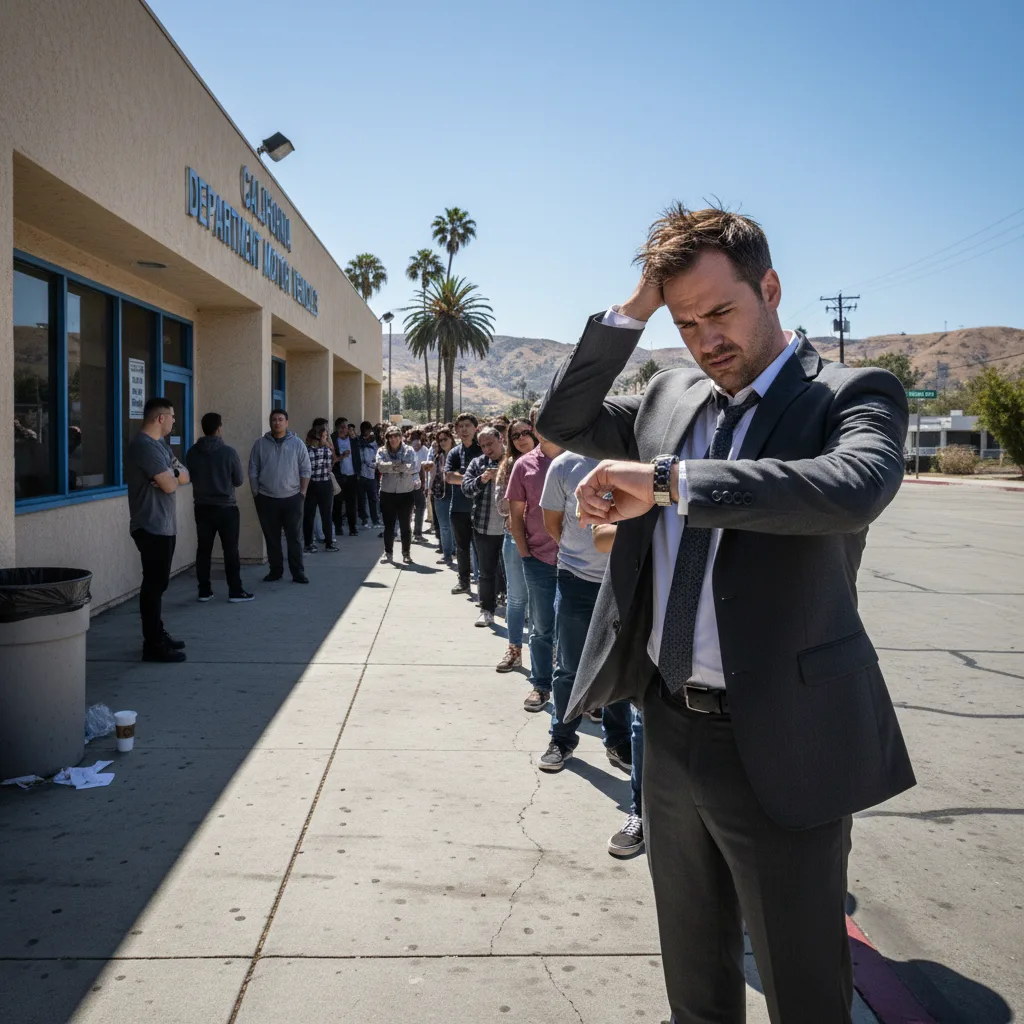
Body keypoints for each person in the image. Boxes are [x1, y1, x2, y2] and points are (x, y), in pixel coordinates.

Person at [537, 204, 914, 1024]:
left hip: (781, 737)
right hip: (670, 729)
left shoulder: (849, 396)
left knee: (802, 986)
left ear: (770, 288)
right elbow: (561, 424)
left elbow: (853, 487)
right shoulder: (671, 394)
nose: (707, 339)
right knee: (696, 981)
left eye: (721, 312)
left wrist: (670, 483)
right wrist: (634, 312)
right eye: (686, 321)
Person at [536, 450, 633, 772]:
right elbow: (553, 524)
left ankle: (618, 742)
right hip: (576, 579)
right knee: (570, 668)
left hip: (623, 581)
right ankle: (561, 739)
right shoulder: (565, 465)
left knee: (617, 667)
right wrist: (582, 555)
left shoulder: (634, 459)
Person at [125, 396, 190, 662]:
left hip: (164, 525)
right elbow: (171, 485)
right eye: (172, 416)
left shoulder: (160, 445)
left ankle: (158, 634)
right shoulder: (144, 447)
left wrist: (170, 475)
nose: (175, 421)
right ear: (161, 418)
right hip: (150, 525)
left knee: (159, 584)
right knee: (153, 585)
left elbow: (184, 474)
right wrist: (171, 478)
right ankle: (152, 645)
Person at [505, 416, 562, 712]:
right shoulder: (523, 465)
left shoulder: (578, 458)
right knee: (541, 627)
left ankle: (577, 690)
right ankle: (541, 685)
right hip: (538, 558)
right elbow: (516, 516)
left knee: (572, 628)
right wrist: (526, 555)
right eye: (540, 422)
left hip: (576, 561)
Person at [185, 411, 254, 604]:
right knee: (230, 550)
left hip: (202, 507)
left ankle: (204, 591)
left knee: (203, 550)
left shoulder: (192, 452)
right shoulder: (228, 452)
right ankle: (235, 590)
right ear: (219, 428)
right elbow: (239, 480)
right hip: (226, 508)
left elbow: (188, 475)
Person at [248, 408, 311, 584]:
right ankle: (275, 571)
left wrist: (302, 493)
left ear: (287, 423)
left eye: (281, 419)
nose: (277, 422)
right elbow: (253, 468)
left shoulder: (297, 444)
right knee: (272, 538)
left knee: (294, 538)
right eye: (274, 419)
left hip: (292, 497)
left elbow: (306, 469)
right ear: (270, 422)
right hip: (266, 498)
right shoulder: (260, 444)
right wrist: (256, 492)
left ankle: (298, 572)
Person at [494, 418, 537, 672]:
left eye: (525, 433)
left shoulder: (551, 461)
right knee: (517, 598)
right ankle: (514, 650)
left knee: (542, 601)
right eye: (515, 435)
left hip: (546, 538)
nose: (521, 438)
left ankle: (549, 654)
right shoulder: (508, 466)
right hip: (514, 537)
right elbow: (502, 506)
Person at [461, 426, 506, 628]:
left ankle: (518, 610)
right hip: (484, 526)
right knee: (486, 572)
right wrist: (482, 480)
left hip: (511, 528)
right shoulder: (478, 463)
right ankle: (486, 610)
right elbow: (466, 488)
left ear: (501, 439)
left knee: (513, 573)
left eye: (491, 444)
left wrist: (503, 478)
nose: (487, 449)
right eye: (483, 445)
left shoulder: (514, 462)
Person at [445, 413, 483, 596]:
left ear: (475, 428)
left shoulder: (483, 450)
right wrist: (475, 479)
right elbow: (449, 477)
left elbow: (489, 478)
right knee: (461, 548)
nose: (464, 429)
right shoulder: (454, 452)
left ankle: (486, 585)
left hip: (481, 509)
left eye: (467, 425)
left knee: (481, 549)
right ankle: (464, 582)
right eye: (460, 426)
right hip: (458, 508)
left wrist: (462, 478)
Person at [376, 426, 417, 564]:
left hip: (405, 492)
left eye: (396, 436)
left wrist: (392, 467)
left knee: (405, 525)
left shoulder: (409, 450)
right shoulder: (382, 451)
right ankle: (388, 552)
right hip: (387, 492)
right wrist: (398, 465)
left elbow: (412, 467)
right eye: (390, 437)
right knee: (389, 525)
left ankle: (406, 553)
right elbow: (380, 466)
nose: (393, 439)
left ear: (401, 437)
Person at [304, 424, 338, 554]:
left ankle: (308, 544)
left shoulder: (307, 451)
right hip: (325, 484)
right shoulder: (327, 451)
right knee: (326, 515)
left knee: (309, 515)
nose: (326, 438)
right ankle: (329, 543)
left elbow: (307, 469)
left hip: (311, 485)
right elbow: (331, 465)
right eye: (324, 436)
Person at [430, 426, 457, 566]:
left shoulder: (458, 454)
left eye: (445, 439)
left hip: (456, 493)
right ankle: (447, 554)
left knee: (456, 526)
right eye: (440, 440)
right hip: (440, 494)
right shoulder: (437, 456)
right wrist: (429, 489)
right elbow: (434, 475)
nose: (442, 442)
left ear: (451, 439)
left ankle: (457, 553)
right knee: (444, 527)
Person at [332, 416, 359, 537]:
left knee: (351, 503)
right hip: (339, 475)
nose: (344, 429)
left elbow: (358, 455)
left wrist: (358, 472)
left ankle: (352, 528)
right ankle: (338, 527)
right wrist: (342, 455)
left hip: (352, 475)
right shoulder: (332, 439)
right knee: (337, 503)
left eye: (346, 427)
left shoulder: (353, 439)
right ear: (337, 428)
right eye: (341, 427)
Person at [408, 428, 432, 542]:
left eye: (418, 439)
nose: (416, 442)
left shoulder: (425, 451)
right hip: (407, 481)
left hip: (420, 481)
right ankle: (407, 533)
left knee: (420, 507)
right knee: (408, 508)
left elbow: (427, 469)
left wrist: (426, 485)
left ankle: (417, 533)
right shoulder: (407, 450)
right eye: (413, 439)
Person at [356, 420, 380, 529]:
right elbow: (360, 458)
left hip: (371, 474)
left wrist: (375, 465)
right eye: (365, 430)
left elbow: (377, 454)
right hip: (361, 474)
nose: (367, 432)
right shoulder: (359, 441)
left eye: (368, 430)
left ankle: (375, 520)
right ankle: (364, 519)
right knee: (361, 499)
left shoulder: (374, 442)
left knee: (373, 498)